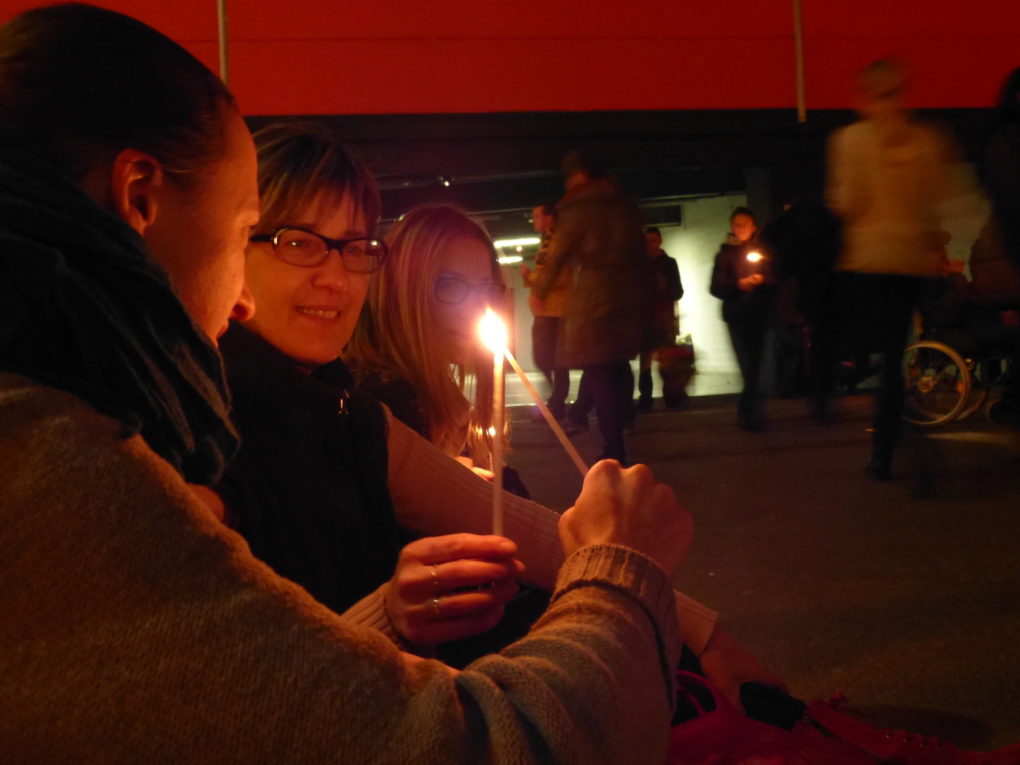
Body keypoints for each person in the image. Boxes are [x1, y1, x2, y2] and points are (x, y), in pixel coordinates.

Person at [0, 6, 698, 760]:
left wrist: (700, 624)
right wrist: (624, 575)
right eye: (261, 235)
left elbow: (260, 697)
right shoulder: (92, 475)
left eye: (357, 247)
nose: (238, 302)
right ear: (139, 196)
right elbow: (490, 744)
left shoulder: (323, 409)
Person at [220, 125, 777, 698]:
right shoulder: (197, 438)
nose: (335, 277)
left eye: (355, 247)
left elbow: (523, 529)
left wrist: (701, 631)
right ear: (226, 245)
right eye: (298, 242)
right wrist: (387, 617)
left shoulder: (347, 413)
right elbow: (229, 701)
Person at [825, 58, 953, 479]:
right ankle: (893, 437)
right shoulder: (925, 141)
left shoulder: (850, 141)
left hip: (867, 261)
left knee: (871, 351)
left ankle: (884, 445)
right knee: (896, 352)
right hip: (907, 261)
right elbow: (935, 204)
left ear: (865, 97)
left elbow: (848, 203)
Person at [346, 203, 504, 466]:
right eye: (450, 286)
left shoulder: (430, 391)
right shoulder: (391, 405)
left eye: (485, 289)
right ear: (404, 291)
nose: (475, 309)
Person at [533, 147, 651, 463]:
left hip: (594, 298)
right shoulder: (624, 204)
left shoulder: (579, 207)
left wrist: (538, 289)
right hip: (628, 296)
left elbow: (558, 254)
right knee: (619, 365)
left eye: (570, 178)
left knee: (598, 370)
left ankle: (613, 446)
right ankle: (623, 422)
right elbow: (641, 251)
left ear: (580, 176)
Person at [710, 207, 776, 431]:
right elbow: (716, 286)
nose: (741, 229)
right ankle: (750, 411)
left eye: (745, 224)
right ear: (732, 227)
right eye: (737, 224)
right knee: (747, 365)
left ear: (753, 226)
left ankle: (749, 410)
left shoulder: (762, 250)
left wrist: (762, 279)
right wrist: (737, 285)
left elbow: (774, 278)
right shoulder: (725, 254)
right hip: (737, 317)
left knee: (755, 365)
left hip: (759, 314)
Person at [520, 201, 571, 420]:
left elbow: (559, 276)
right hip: (545, 310)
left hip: (556, 310)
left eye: (537, 215)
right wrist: (530, 278)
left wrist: (530, 277)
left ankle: (557, 404)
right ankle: (556, 401)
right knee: (545, 358)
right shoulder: (547, 239)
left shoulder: (557, 240)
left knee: (556, 360)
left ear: (549, 217)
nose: (534, 220)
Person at [638, 226, 684, 411]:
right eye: (647, 241)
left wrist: (659, 292)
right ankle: (648, 398)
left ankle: (668, 397)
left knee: (665, 361)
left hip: (662, 318)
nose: (650, 245)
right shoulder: (641, 265)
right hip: (648, 318)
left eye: (653, 241)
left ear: (660, 241)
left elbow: (678, 291)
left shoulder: (669, 263)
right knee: (647, 362)